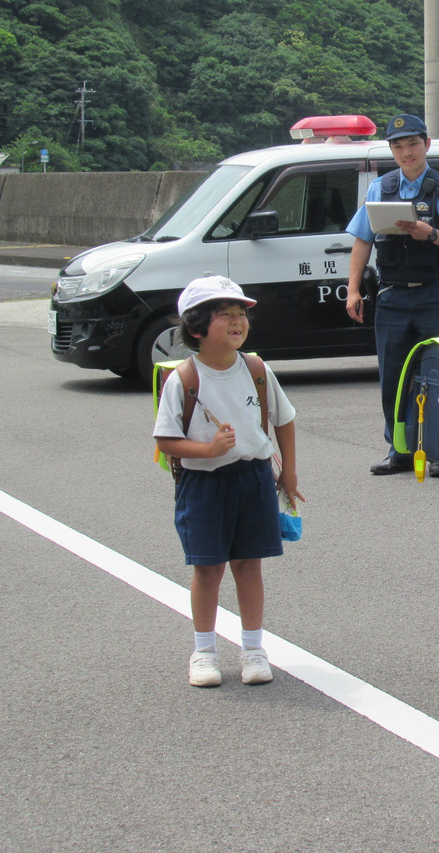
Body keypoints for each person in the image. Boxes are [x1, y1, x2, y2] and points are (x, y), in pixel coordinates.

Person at [153, 275, 305, 688]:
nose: (238, 322)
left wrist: (287, 473)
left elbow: (284, 418)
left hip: (253, 477)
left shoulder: (255, 369)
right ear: (197, 327)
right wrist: (209, 450)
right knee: (207, 569)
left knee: (249, 564)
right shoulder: (184, 379)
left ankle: (253, 650)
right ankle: (203, 652)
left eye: (242, 315)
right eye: (226, 316)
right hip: (203, 485)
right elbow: (166, 440)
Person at [345, 113, 439, 475]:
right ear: (392, 150)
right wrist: (353, 289)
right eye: (398, 146)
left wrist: (429, 233)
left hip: (434, 296)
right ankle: (398, 450)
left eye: (413, 144)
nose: (406, 153)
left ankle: (437, 450)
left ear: (427, 145)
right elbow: (362, 241)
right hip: (392, 298)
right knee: (394, 378)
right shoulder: (379, 189)